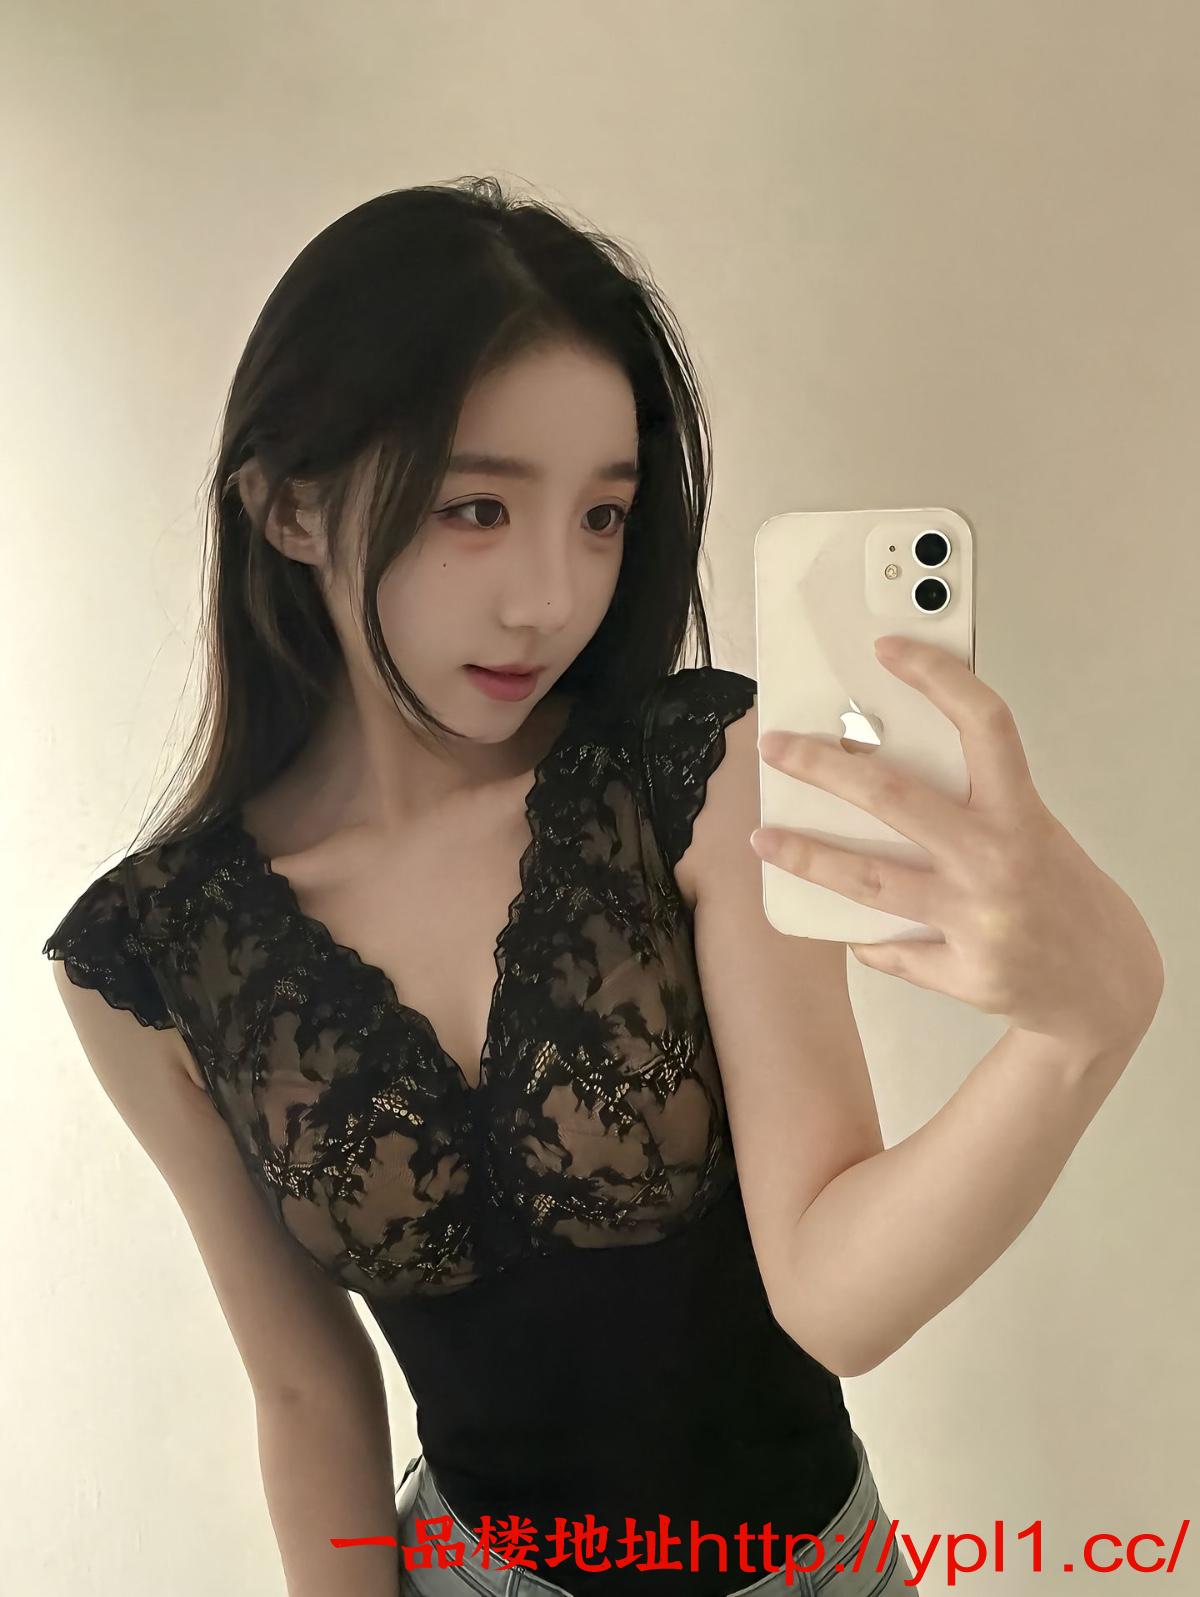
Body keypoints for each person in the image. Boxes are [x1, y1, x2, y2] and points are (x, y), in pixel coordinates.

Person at [43, 177, 920, 1595]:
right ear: (288, 507)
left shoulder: (693, 775)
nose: (550, 597)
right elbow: (304, 1390)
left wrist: (1078, 1026)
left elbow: (839, 1292)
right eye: (477, 507)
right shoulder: (153, 956)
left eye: (602, 516)